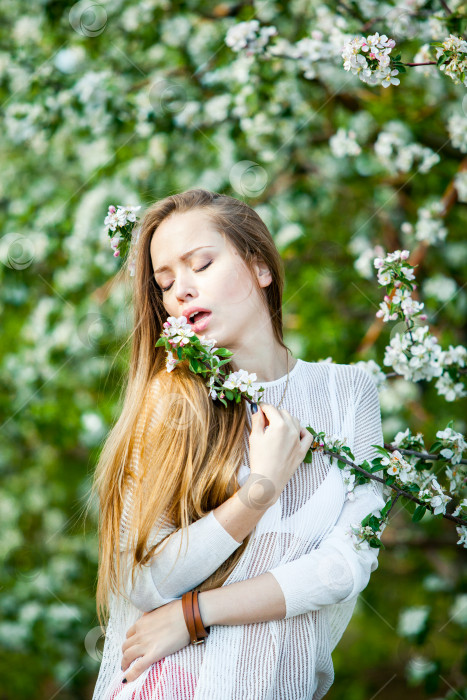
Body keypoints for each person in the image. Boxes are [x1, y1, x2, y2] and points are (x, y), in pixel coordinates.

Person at [90, 188, 388, 700]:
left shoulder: (349, 393)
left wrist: (194, 614)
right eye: (165, 282)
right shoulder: (172, 405)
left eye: (200, 264)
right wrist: (260, 492)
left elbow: (345, 566)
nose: (180, 289)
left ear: (260, 267)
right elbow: (143, 582)